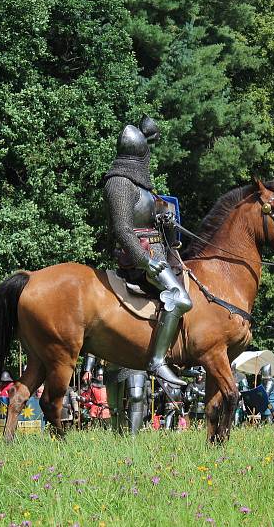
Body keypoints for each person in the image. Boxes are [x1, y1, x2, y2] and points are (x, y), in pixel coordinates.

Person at [103, 115, 191, 387]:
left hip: (158, 251)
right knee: (179, 299)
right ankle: (157, 361)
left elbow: (146, 219)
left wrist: (163, 218)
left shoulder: (140, 186)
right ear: (137, 156)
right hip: (138, 257)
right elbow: (122, 229)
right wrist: (144, 261)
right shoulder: (119, 182)